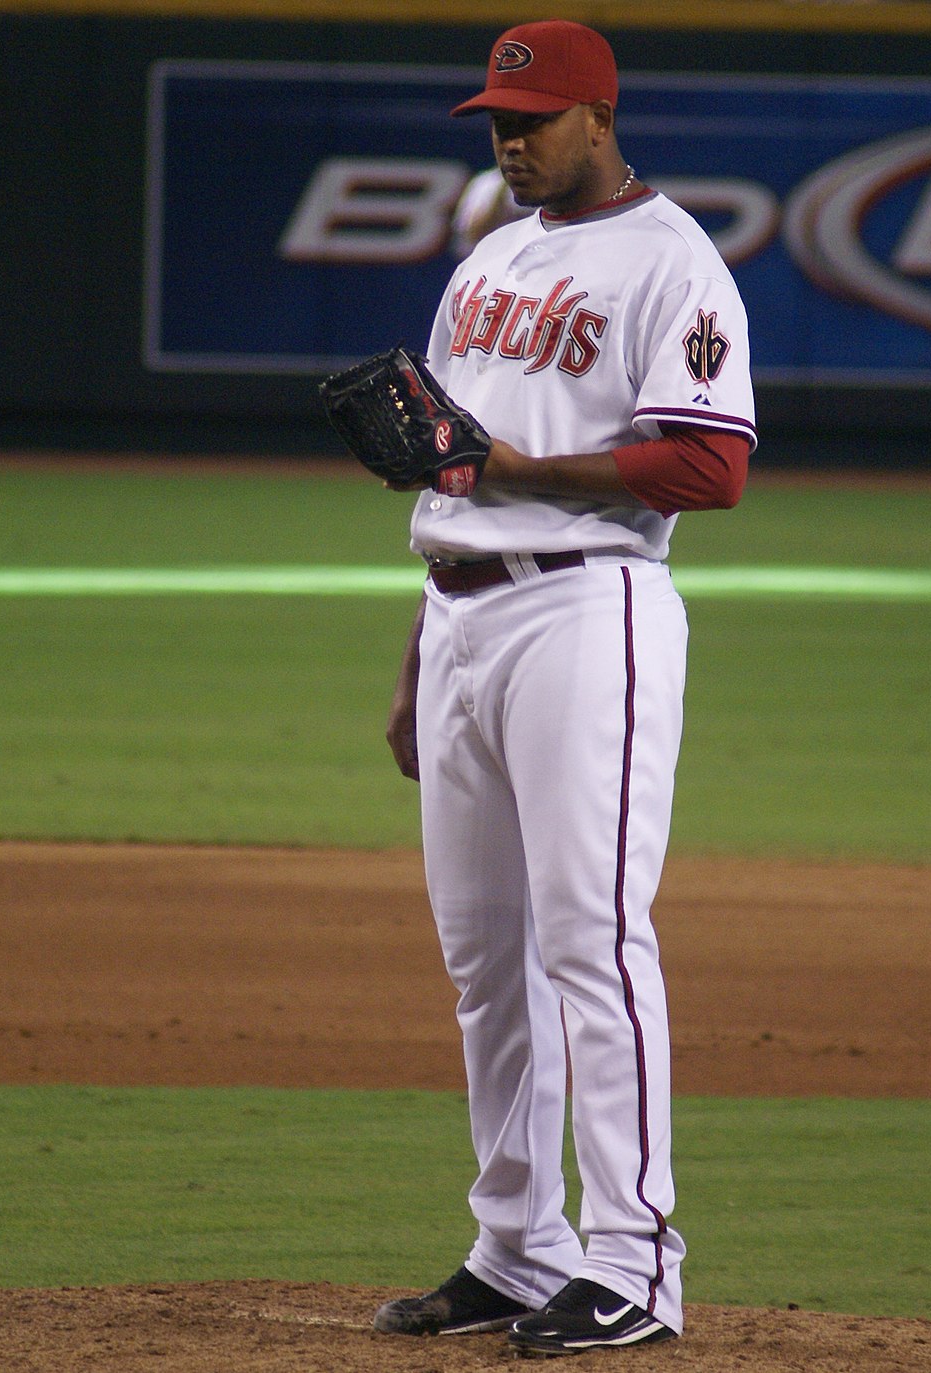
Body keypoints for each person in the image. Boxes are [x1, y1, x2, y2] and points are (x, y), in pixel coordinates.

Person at [372, 19, 756, 1357]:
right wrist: (424, 652)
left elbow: (708, 467)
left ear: (599, 116)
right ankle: (518, 1242)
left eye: (531, 120)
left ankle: (637, 1259)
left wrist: (522, 470)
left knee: (589, 937)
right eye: (496, 121)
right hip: (464, 613)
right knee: (486, 958)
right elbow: (447, 467)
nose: (510, 141)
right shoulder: (489, 258)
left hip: (590, 612)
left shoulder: (673, 264)